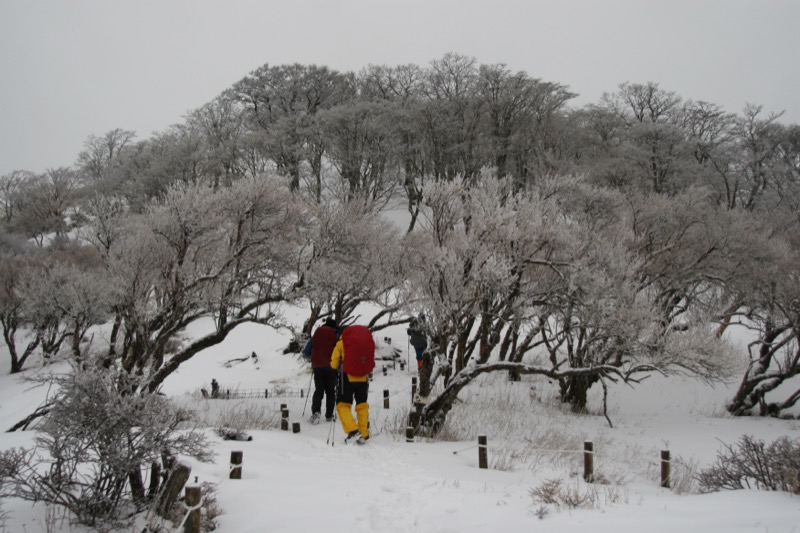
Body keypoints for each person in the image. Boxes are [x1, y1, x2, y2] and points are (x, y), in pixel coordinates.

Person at [331, 325, 374, 444]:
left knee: (342, 405)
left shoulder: (341, 342)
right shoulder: (362, 342)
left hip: (347, 377)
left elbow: (334, 362)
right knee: (362, 405)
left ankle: (353, 430)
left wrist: (335, 368)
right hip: (363, 378)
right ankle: (364, 434)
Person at [303, 318, 339, 424]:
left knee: (318, 391)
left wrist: (311, 356)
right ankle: (329, 415)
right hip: (331, 367)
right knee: (330, 391)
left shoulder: (317, 333)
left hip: (318, 366)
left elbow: (307, 350)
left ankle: (316, 413)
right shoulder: (335, 334)